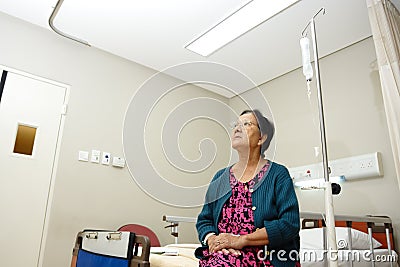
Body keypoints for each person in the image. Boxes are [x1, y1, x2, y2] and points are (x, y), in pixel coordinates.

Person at [196, 109, 300, 267]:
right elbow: (205, 220)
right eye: (236, 125)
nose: (237, 128)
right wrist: (213, 241)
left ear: (261, 138)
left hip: (262, 255)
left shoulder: (278, 174)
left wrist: (241, 240)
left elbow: (289, 224)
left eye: (246, 124)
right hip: (222, 253)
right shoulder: (220, 177)